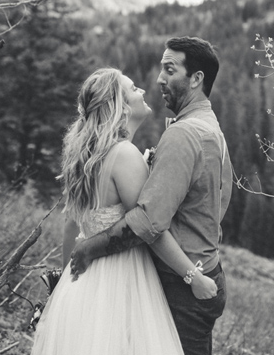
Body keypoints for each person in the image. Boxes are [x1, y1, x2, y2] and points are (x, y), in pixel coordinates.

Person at [31, 68, 219, 355]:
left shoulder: (84, 155)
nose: (142, 91)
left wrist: (64, 283)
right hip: (122, 279)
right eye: (133, 89)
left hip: (87, 281)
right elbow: (150, 227)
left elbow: (73, 224)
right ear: (119, 106)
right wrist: (194, 277)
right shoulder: (124, 155)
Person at [70, 37, 233, 355]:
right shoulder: (209, 127)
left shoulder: (183, 134)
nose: (158, 79)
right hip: (204, 270)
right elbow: (222, 196)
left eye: (169, 70)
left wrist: (89, 247)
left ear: (196, 79)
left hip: (185, 284)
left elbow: (148, 221)